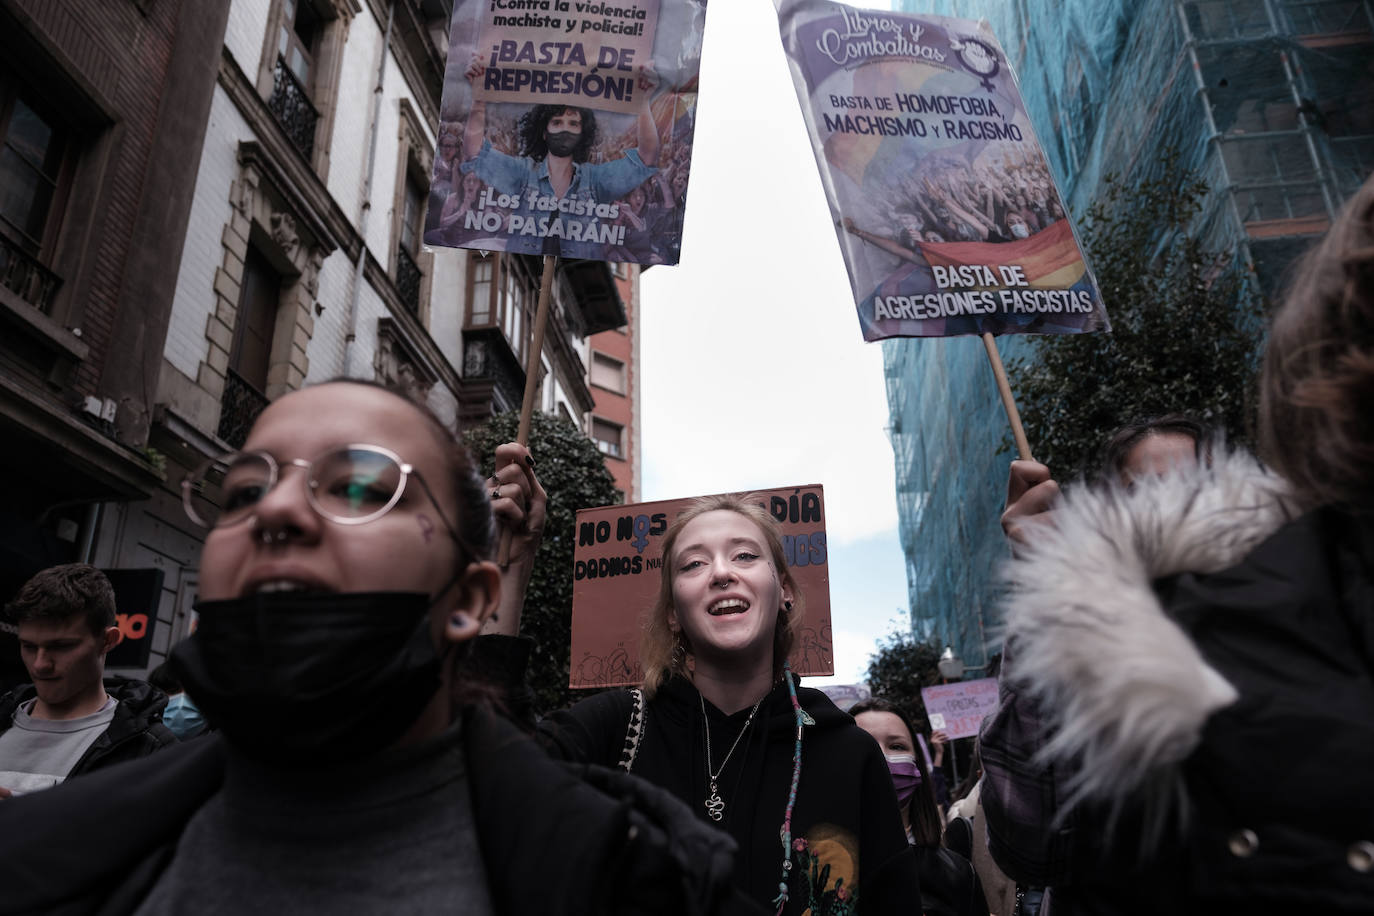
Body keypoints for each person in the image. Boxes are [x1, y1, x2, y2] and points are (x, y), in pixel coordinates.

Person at [0, 380, 736, 914]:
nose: (277, 510)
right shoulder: (41, 861)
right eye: (243, 493)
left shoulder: (630, 881)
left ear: (467, 605)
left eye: (356, 488)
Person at [980, 177, 1374, 915]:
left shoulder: (1330, 590)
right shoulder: (1090, 632)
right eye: (1148, 495)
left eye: (1198, 486)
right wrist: (1057, 607)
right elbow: (1034, 842)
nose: (1177, 510)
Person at [501, 494, 922, 914]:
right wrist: (511, 573)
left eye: (744, 555)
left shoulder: (849, 753)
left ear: (785, 590)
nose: (721, 573)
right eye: (693, 564)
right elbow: (492, 790)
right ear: (672, 613)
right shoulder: (611, 728)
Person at [0, 564, 176, 797]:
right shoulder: (3, 717)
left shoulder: (152, 752)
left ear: (107, 641)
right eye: (29, 647)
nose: (40, 664)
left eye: (61, 646)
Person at [458, 57, 660, 258]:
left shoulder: (595, 180)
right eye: (557, 122)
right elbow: (474, 153)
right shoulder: (524, 174)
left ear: (582, 133)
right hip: (532, 278)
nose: (565, 129)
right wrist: (479, 99)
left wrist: (642, 102)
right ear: (544, 132)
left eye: (573, 124)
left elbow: (646, 159)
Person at [851, 698, 986, 916]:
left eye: (896, 746)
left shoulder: (957, 873)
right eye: (864, 745)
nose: (881, 757)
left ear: (918, 767)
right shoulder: (815, 870)